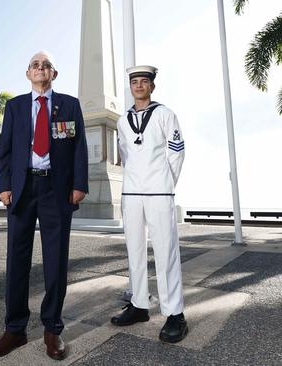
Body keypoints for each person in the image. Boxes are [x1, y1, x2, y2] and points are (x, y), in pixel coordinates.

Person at [0, 51, 88, 360]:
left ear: (54, 74)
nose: (40, 68)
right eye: (35, 65)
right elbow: (5, 150)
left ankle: (52, 328)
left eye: (46, 65)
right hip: (22, 189)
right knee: (17, 258)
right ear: (28, 73)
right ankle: (15, 328)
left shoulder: (69, 105)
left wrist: (79, 184)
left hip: (56, 188)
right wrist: (3, 186)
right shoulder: (15, 106)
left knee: (56, 259)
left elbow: (79, 147)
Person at [110, 65, 188, 343]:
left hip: (159, 192)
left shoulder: (165, 114)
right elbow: (124, 155)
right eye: (135, 82)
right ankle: (140, 304)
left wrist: (166, 183)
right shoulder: (122, 120)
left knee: (166, 251)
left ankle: (175, 313)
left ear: (152, 86)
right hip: (131, 193)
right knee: (134, 250)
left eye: (144, 82)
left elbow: (177, 152)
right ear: (130, 87)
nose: (139, 86)